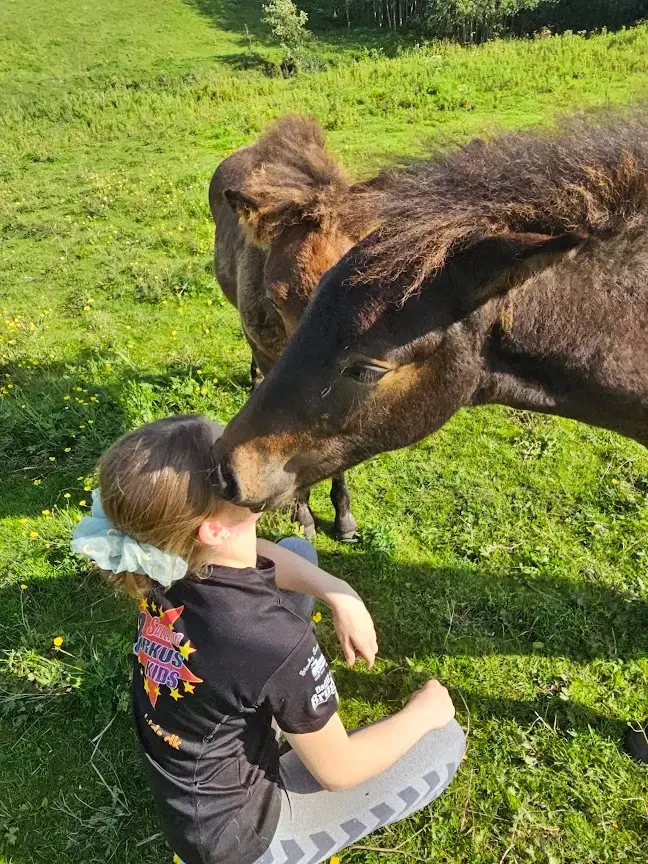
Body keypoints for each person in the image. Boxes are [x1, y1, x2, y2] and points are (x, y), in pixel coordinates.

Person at [71, 414, 465, 864]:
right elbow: (341, 770)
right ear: (214, 531)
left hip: (189, 779)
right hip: (238, 838)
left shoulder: (162, 557)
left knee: (296, 553)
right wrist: (423, 712)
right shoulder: (275, 641)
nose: (262, 454)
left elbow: (256, 552)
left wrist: (340, 592)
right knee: (444, 742)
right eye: (242, 462)